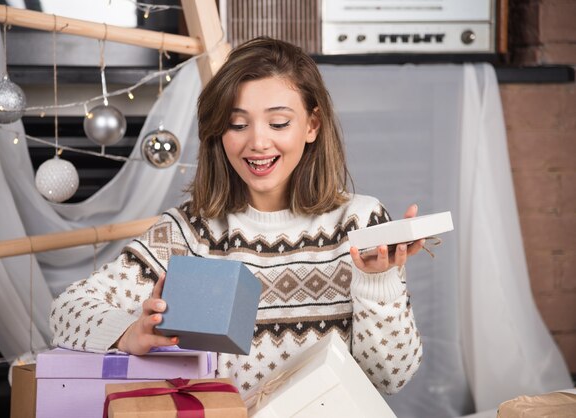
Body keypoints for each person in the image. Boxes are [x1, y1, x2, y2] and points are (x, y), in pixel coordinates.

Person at [50, 37, 424, 397]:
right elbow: (66, 311)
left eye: (278, 123)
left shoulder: (360, 224)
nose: (257, 142)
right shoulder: (188, 235)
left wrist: (379, 284)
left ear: (312, 125)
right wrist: (129, 332)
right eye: (237, 124)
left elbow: (392, 377)